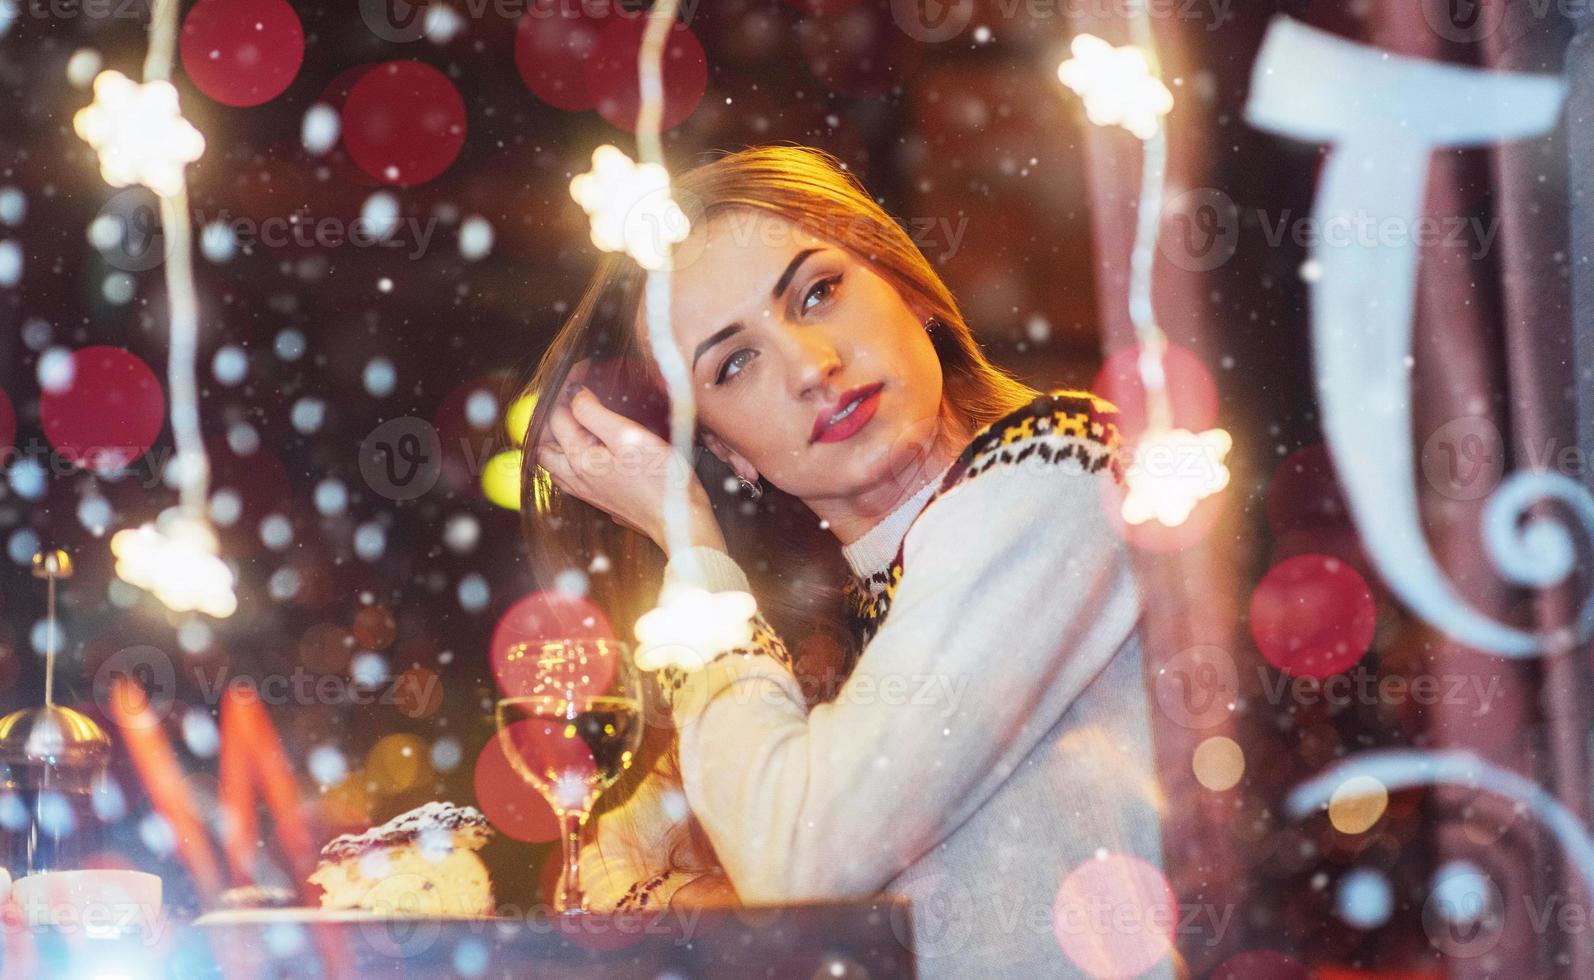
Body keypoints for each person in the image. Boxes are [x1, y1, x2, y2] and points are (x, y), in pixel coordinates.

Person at [519, 144, 1168, 977]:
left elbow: (797, 862)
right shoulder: (853, 626)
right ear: (730, 451)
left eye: (818, 292)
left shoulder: (1055, 480)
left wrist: (687, 539)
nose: (810, 366)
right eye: (736, 362)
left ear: (910, 287)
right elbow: (603, 870)